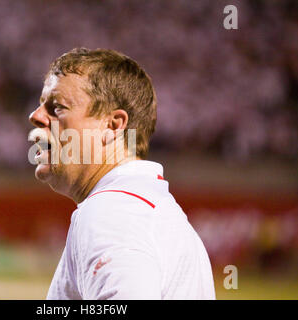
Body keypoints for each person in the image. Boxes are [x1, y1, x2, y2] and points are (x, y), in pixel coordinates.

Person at [28, 48, 215, 299]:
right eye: (41, 105)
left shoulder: (113, 213)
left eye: (57, 107)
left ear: (112, 126)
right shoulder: (141, 207)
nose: (36, 116)